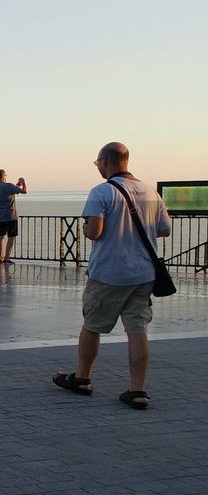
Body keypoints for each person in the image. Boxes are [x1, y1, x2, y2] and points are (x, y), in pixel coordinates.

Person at [53, 143, 172, 410]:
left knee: (92, 326)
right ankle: (137, 390)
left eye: (97, 163)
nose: (98, 167)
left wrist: (86, 226)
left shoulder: (101, 192)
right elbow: (164, 229)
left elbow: (94, 232)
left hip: (108, 273)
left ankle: (83, 379)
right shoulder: (150, 191)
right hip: (143, 274)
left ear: (106, 162)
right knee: (138, 330)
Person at [0, 169, 29, 263]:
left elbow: (9, 191)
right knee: (11, 237)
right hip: (10, 215)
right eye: (6, 175)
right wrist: (23, 182)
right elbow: (24, 191)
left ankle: (0, 257)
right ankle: (7, 258)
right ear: (3, 176)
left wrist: (16, 185)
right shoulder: (8, 186)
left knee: (0, 237)